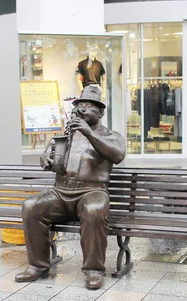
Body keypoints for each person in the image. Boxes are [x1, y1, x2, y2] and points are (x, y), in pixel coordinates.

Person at [15, 86, 126, 290]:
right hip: (60, 192)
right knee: (31, 206)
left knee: (94, 210)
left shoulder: (111, 136)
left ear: (100, 112)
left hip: (92, 192)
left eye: (89, 106)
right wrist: (45, 158)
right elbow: (47, 156)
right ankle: (37, 265)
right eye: (79, 105)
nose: (82, 109)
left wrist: (88, 133)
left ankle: (93, 270)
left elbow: (118, 155)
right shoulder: (65, 136)